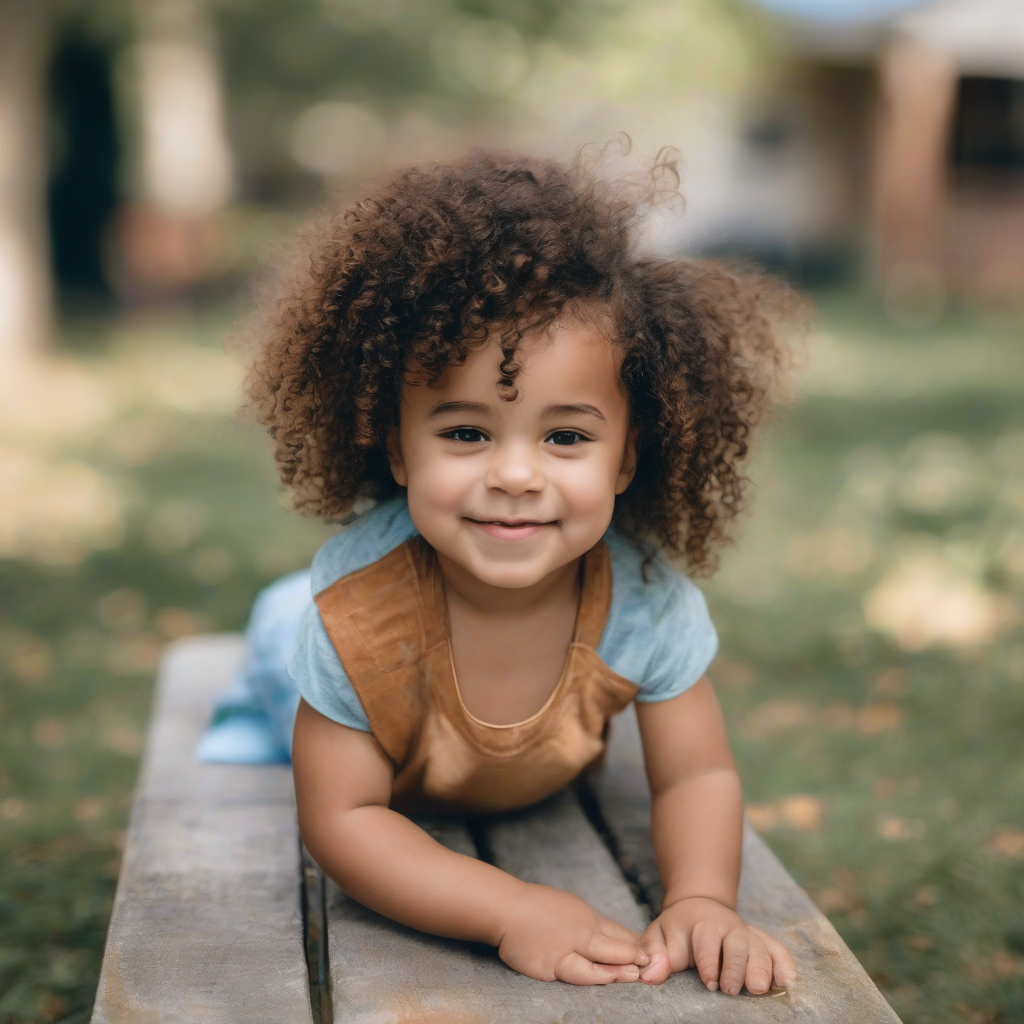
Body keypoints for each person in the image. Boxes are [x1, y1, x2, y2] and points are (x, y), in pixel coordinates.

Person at [214, 148, 801, 993]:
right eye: (466, 433)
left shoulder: (643, 605)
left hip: (482, 765)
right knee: (282, 628)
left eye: (566, 436)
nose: (517, 475)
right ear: (396, 447)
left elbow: (698, 773)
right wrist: (510, 908)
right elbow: (343, 820)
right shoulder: (355, 618)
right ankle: (273, 618)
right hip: (307, 668)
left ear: (628, 458)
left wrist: (704, 899)